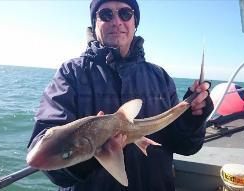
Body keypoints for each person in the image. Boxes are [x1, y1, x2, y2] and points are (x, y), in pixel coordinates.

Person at [27, 0, 214, 190]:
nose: (116, 21)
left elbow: (185, 147)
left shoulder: (160, 77)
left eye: (125, 13)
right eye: (106, 14)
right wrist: (93, 152)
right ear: (95, 23)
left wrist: (193, 118)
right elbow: (44, 155)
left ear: (135, 22)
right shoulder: (71, 73)